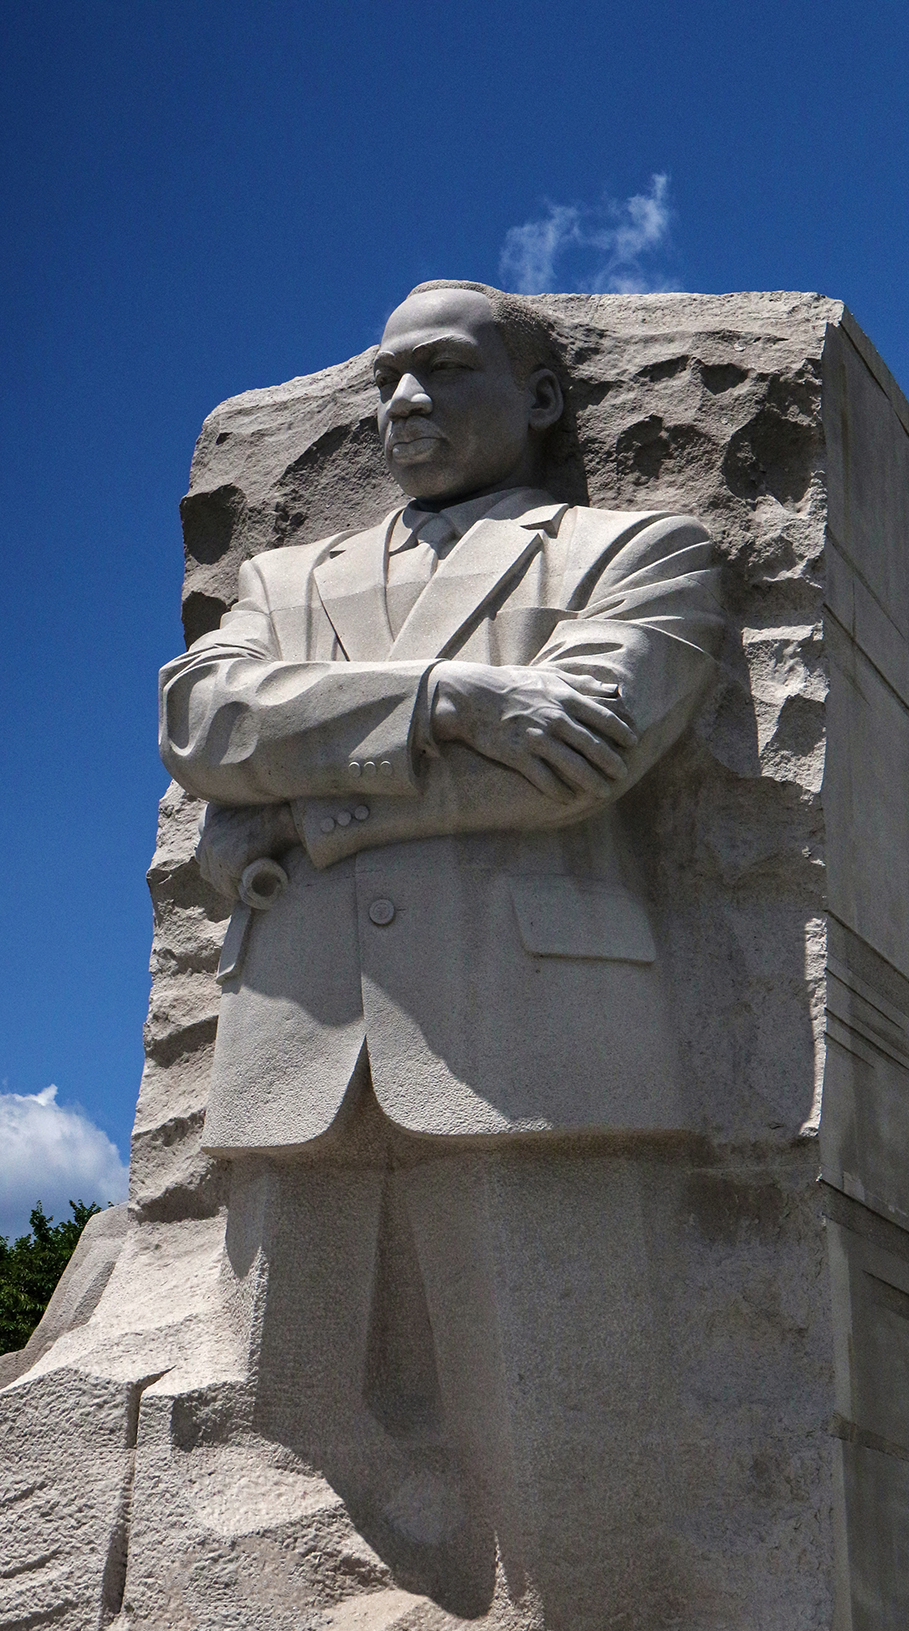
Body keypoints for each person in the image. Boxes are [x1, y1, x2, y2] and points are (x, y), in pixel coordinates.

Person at [159, 279, 725, 1152]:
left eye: (445, 368)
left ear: (541, 399)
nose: (405, 401)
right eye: (387, 380)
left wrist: (294, 817)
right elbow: (200, 724)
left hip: (540, 1049)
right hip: (289, 1046)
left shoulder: (636, 551)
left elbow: (574, 763)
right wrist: (445, 698)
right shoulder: (283, 580)